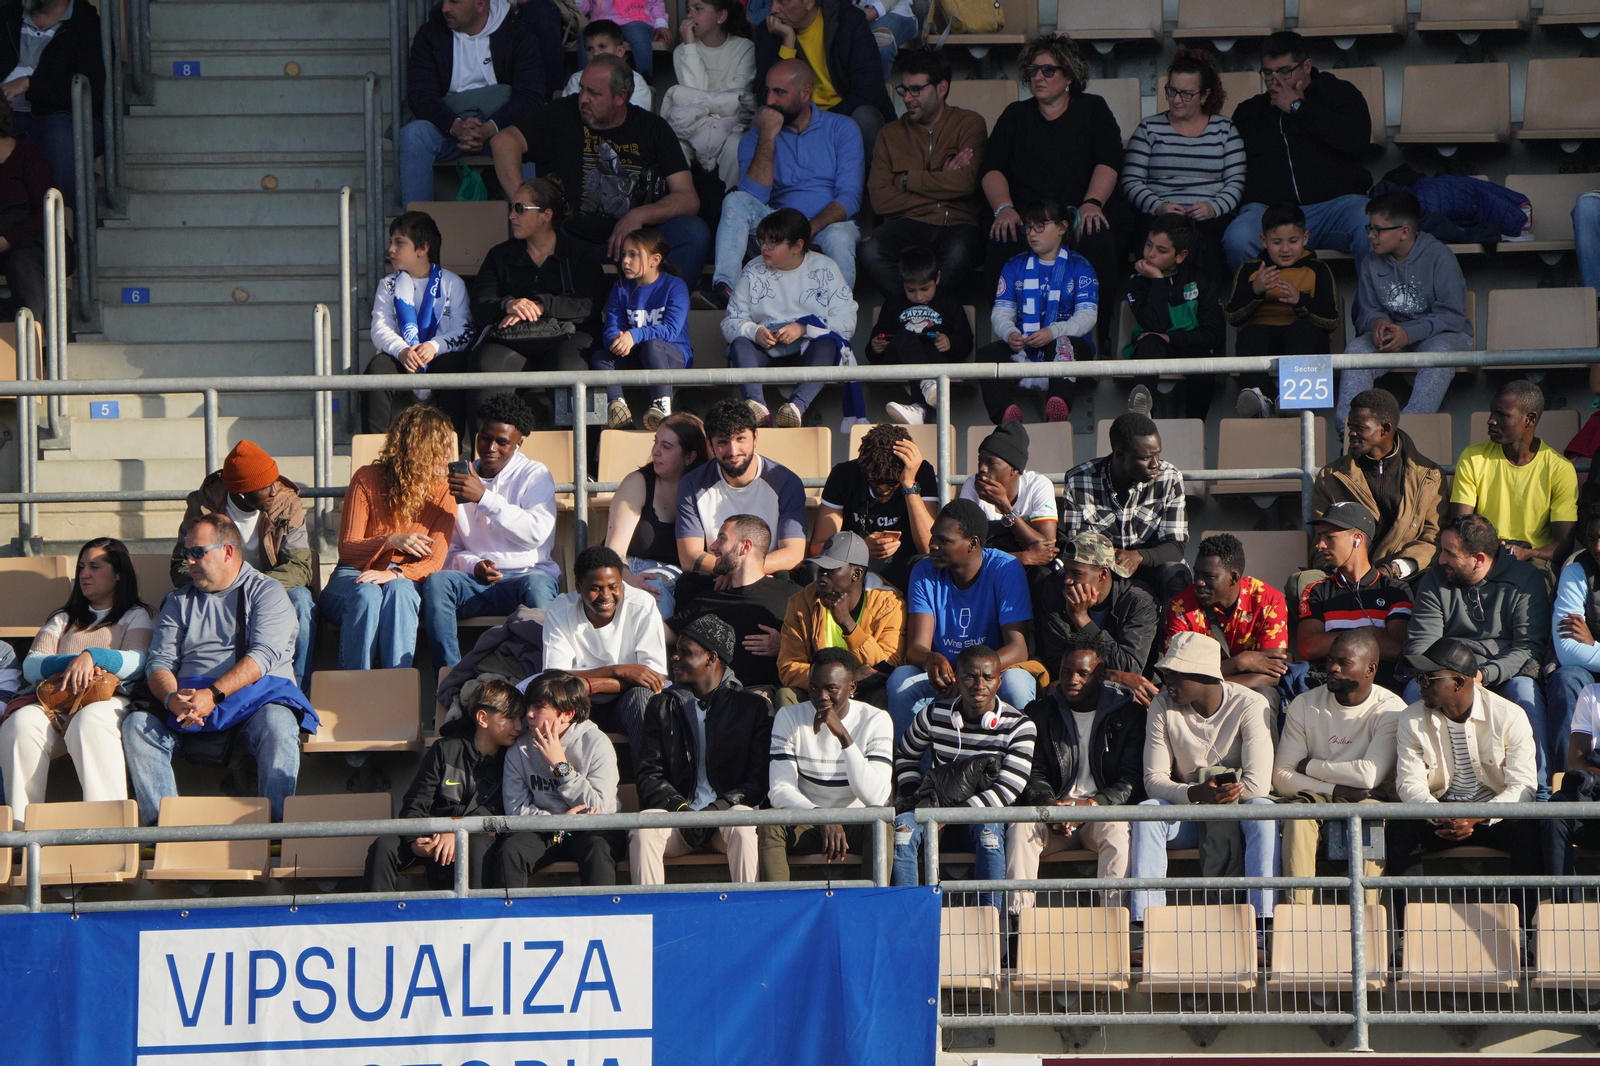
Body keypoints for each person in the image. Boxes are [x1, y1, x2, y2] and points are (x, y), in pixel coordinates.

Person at [122, 514, 317, 825]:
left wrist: (212, 694)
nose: (189, 561)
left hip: (252, 703)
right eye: (187, 553)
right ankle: (164, 832)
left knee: (279, 723)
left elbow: (263, 656)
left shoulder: (267, 592)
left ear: (228, 551)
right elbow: (160, 661)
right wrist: (171, 697)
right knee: (137, 726)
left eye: (198, 552)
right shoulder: (177, 600)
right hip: (187, 703)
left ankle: (278, 830)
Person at [489, 55, 710, 280]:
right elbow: (504, 141)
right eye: (582, 88)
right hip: (568, 239)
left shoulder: (653, 129)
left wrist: (641, 215)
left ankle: (655, 305)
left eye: (594, 93)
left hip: (635, 246)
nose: (583, 98)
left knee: (693, 232)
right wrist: (523, 205)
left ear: (620, 97)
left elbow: (688, 198)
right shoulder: (561, 114)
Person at [981, 33, 1129, 342]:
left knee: (1098, 235)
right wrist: (1004, 208)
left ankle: (1098, 338)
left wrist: (1093, 202)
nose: (1038, 77)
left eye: (1048, 70)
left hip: (1074, 214)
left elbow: (1109, 161)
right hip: (1026, 216)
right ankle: (1008, 335)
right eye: (1033, 70)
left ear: (1069, 75)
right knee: (1000, 235)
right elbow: (991, 168)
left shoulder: (1093, 109)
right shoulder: (1014, 115)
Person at [1129, 632, 1278, 927]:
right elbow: (1154, 779)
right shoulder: (1163, 704)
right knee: (1149, 812)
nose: (1167, 681)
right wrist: (1197, 794)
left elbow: (1258, 784)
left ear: (1205, 676)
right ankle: (1146, 925)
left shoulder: (1250, 704)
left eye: (1176, 674)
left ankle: (1263, 923)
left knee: (1263, 809)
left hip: (1237, 813)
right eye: (1165, 673)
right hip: (1190, 809)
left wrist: (1220, 796)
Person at [0, 538, 152, 828]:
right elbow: (32, 666)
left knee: (90, 722)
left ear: (119, 573)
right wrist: (74, 663)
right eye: (82, 566)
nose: (84, 574)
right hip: (56, 701)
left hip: (109, 700)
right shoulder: (63, 618)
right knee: (19, 725)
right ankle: (21, 834)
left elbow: (139, 661)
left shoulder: (138, 614)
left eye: (95, 566)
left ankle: (108, 835)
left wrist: (93, 656)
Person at [1403, 514, 1553, 795]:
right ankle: (1423, 791)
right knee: (1415, 689)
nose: (1440, 560)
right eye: (1441, 550)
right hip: (1447, 673)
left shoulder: (1526, 580)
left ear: (1479, 559)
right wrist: (1467, 667)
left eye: (1449, 553)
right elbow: (1420, 647)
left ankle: (1538, 791)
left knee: (1525, 691)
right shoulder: (1435, 580)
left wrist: (1484, 673)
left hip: (1502, 674)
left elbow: (1529, 648)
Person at [1386, 639, 1538, 898]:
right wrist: (1440, 815)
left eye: (1427, 679)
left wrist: (1477, 816)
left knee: (1533, 831)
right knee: (1400, 829)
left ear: (1457, 682)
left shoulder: (1508, 716)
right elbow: (1409, 784)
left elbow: (1524, 787)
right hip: (1439, 816)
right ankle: (1408, 928)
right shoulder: (1411, 719)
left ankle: (1522, 928)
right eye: (1417, 677)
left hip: (1492, 817)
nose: (1418, 685)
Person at [891, 644, 1037, 905]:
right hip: (936, 810)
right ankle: (908, 920)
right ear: (957, 678)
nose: (979, 684)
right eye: (970, 676)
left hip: (981, 813)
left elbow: (1008, 789)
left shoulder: (1020, 725)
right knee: (902, 831)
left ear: (999, 681)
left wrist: (954, 815)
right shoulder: (933, 715)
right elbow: (905, 756)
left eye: (988, 677)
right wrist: (915, 798)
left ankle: (990, 929)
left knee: (989, 834)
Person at [421, 394, 559, 669]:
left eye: (502, 441)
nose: (490, 447)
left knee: (538, 586)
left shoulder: (535, 474)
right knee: (438, 583)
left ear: (518, 444)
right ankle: (449, 677)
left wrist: (484, 498)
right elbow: (448, 549)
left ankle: (545, 681)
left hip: (526, 576)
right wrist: (474, 566)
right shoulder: (460, 477)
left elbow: (535, 533)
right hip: (475, 580)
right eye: (484, 437)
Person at [631, 614, 772, 884]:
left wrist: (716, 809)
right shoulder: (661, 705)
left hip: (724, 819)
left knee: (742, 823)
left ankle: (748, 914)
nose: (674, 657)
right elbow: (649, 776)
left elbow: (758, 779)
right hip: (678, 818)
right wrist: (682, 811)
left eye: (686, 652)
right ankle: (646, 916)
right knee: (644, 827)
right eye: (676, 651)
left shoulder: (751, 707)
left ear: (711, 658)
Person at [710, 59, 863, 299]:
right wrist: (768, 136)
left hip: (826, 226)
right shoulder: (756, 138)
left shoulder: (842, 128)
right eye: (768, 91)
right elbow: (753, 197)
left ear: (805, 93)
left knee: (840, 236)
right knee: (736, 200)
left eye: (779, 92)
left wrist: (806, 230)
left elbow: (850, 197)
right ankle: (725, 290)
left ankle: (834, 311)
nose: (770, 101)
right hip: (776, 225)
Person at [170, 441, 316, 694]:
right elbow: (180, 565)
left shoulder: (287, 503)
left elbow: (300, 565)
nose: (274, 491)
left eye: (275, 482)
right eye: (265, 487)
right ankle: (191, 687)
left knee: (301, 600)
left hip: (270, 586)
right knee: (176, 600)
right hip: (217, 586)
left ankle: (298, 691)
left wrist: (253, 588)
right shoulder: (203, 506)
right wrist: (220, 584)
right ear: (240, 493)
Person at [1010, 633, 1142, 911]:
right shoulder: (1040, 713)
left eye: (1083, 673)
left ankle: (1113, 926)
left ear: (1102, 674)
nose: (1073, 680)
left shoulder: (1128, 715)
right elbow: (1032, 774)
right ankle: (1018, 927)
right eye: (1066, 672)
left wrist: (1091, 805)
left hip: (1099, 814)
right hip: (1054, 817)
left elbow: (1131, 781)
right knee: (1021, 828)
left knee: (1118, 832)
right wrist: (1049, 806)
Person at [320, 405, 457, 670]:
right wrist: (389, 540)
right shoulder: (367, 479)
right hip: (354, 574)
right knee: (367, 595)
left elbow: (435, 561)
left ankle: (398, 686)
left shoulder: (445, 492)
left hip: (404, 577)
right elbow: (347, 549)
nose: (449, 456)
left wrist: (396, 574)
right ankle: (354, 689)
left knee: (400, 590)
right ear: (420, 451)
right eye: (442, 448)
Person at [1222, 30, 1373, 272]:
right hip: (1271, 215)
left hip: (1334, 209)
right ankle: (1263, 309)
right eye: (1268, 73)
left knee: (1370, 224)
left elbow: (1357, 143)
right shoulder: (1249, 112)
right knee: (1238, 237)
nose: (1275, 81)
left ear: (1306, 66)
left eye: (1284, 71)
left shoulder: (1340, 94)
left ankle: (1371, 310)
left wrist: (1298, 107)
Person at [1274, 628, 1405, 904]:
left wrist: (1309, 766)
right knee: (1297, 817)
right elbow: (1282, 777)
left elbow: (1369, 775)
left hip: (1368, 798)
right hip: (1319, 795)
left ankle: (1369, 923)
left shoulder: (1390, 708)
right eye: (1330, 660)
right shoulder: (1305, 704)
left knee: (1369, 817)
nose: (1332, 668)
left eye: (1343, 663)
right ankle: (1300, 918)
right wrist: (1336, 789)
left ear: (1370, 669)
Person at [887, 499, 1037, 735]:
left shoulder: (1005, 568)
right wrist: (930, 658)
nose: (932, 545)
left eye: (943, 540)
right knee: (901, 680)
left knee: (1018, 684)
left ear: (972, 543)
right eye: (933, 536)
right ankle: (915, 769)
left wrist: (968, 676)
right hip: (945, 678)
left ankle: (1015, 760)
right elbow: (916, 648)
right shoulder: (924, 570)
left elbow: (1018, 649)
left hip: (990, 675)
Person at [1334, 190, 1473, 435]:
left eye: (1378, 229)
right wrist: (1377, 323)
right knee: (1356, 349)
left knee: (1441, 353)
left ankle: (1409, 432)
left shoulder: (1440, 256)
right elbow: (1368, 310)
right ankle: (1350, 430)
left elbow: (1452, 316)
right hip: (1392, 337)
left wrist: (1408, 333)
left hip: (1439, 335)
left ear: (1404, 231)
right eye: (1370, 228)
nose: (1370, 235)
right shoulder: (1370, 261)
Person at [363, 680, 523, 891]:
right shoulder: (445, 750)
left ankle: (475, 917)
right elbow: (415, 804)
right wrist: (414, 841)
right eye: (510, 718)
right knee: (385, 846)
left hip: (478, 837)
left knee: (477, 846)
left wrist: (459, 832)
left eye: (520, 719)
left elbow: (499, 809)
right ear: (483, 718)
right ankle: (377, 917)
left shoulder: (514, 757)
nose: (519, 727)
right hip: (435, 835)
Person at [470, 178, 606, 422]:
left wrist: (542, 306)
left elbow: (591, 304)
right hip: (513, 338)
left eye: (520, 208)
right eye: (511, 208)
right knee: (487, 365)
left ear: (546, 215)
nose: (512, 215)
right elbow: (480, 305)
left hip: (569, 335)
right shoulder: (500, 255)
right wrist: (507, 304)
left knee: (573, 370)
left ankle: (583, 456)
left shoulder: (579, 253)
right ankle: (488, 452)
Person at [860, 48, 985, 298]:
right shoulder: (890, 134)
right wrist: (942, 181)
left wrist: (907, 179)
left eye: (916, 89)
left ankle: (933, 318)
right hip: (906, 224)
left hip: (957, 224)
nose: (907, 98)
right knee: (870, 250)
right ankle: (912, 314)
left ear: (941, 89)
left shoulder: (969, 123)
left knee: (960, 253)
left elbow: (966, 184)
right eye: (904, 89)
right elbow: (881, 200)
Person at [721, 206, 860, 428]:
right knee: (739, 344)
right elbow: (730, 322)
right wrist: (754, 331)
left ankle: (795, 408)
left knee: (829, 344)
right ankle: (756, 407)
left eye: (773, 243)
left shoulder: (826, 268)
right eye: (762, 241)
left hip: (808, 348)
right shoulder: (752, 270)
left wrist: (804, 328)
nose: (765, 248)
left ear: (798, 245)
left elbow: (847, 322)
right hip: (765, 348)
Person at [763, 647, 895, 879]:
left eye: (831, 688)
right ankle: (780, 909)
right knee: (770, 825)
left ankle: (872, 908)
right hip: (810, 820)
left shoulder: (877, 719)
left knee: (881, 825)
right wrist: (821, 816)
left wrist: (844, 737)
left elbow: (877, 797)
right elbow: (779, 790)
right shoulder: (789, 717)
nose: (821, 696)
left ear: (851, 687)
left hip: (856, 823)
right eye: (814, 687)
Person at [400, 0, 543, 206]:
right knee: (413, 135)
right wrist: (454, 125)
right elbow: (420, 94)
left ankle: (527, 227)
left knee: (527, 134)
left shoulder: (517, 33)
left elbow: (530, 96)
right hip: (448, 127)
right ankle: (413, 230)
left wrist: (492, 127)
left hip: (501, 129)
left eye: (454, 2)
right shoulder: (430, 34)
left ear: (479, 4)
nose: (445, 8)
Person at [1120, 47, 1245, 282]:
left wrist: (1214, 207)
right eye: (1172, 91)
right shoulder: (1149, 128)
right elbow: (1131, 181)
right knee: (1154, 239)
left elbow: (1236, 182)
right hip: (1160, 214)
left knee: (1208, 243)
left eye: (1186, 94)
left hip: (1210, 216)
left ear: (1205, 95)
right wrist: (1158, 206)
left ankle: (1202, 310)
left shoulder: (1225, 129)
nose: (1176, 100)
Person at [492, 671, 623, 887]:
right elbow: (515, 808)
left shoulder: (596, 743)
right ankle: (509, 919)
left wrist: (560, 766)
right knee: (511, 851)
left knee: (598, 849)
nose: (529, 715)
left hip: (593, 830)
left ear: (567, 714)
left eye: (539, 708)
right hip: (547, 829)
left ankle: (600, 918)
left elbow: (601, 808)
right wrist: (560, 820)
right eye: (529, 706)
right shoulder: (520, 746)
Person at [538, 545, 669, 754]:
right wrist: (617, 670)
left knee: (643, 699)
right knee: (548, 704)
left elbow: (654, 678)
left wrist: (589, 685)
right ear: (579, 587)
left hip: (622, 700)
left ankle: (651, 781)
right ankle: (559, 780)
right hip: (578, 701)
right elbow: (554, 678)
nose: (606, 596)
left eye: (614, 586)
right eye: (596, 588)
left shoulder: (641, 605)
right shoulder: (560, 609)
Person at [980, 199, 1097, 426]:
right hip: (1026, 345)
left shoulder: (1081, 266)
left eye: (1040, 226)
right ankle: (1006, 415)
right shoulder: (1014, 265)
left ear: (1062, 227)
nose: (1032, 234)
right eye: (1028, 227)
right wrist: (1010, 333)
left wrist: (1052, 332)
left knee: (1062, 343)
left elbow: (1087, 317)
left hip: (1071, 345)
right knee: (986, 356)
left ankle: (1058, 403)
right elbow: (1001, 312)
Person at [1311, 387, 1446, 581]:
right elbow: (1321, 541)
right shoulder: (1331, 476)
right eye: (1351, 427)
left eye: (1360, 428)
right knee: (1301, 583)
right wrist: (1351, 571)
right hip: (1344, 574)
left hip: (1404, 575)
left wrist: (1392, 570)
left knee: (1437, 584)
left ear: (1385, 429)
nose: (1352, 434)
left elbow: (1433, 537)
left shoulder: (1429, 476)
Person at [1060, 412, 1191, 604]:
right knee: (1063, 580)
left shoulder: (1170, 478)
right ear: (1120, 455)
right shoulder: (1079, 481)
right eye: (1146, 457)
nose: (1156, 464)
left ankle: (1170, 634)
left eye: (1158, 453)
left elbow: (1176, 545)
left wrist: (1138, 556)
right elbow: (1080, 547)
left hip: (1150, 566)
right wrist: (1116, 558)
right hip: (1103, 570)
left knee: (1176, 573)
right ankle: (1086, 632)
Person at [364, 211, 475, 434]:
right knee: (376, 370)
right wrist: (402, 350)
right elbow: (380, 328)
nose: (391, 250)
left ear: (423, 249)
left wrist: (434, 346)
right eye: (391, 242)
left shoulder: (452, 283)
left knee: (455, 367)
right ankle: (373, 451)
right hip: (402, 356)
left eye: (399, 243)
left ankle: (451, 448)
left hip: (438, 357)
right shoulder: (388, 284)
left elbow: (463, 331)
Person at [1450, 379, 1578, 572]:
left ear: (1530, 419)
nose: (1491, 420)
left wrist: (1526, 553)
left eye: (1502, 414)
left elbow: (1562, 547)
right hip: (1482, 557)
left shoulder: (1560, 469)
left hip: (1533, 562)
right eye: (1492, 412)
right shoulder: (1472, 457)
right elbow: (1460, 529)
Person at [752, 0, 894, 174]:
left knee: (865, 117)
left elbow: (870, 90)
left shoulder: (848, 20)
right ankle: (773, 194)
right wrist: (787, 42)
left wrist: (819, 123)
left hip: (845, 115)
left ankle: (866, 194)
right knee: (762, 117)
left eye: (783, 2)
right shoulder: (768, 32)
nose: (773, 9)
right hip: (796, 116)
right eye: (771, 1)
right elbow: (766, 95)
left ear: (809, 2)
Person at [1227, 204, 1341, 419]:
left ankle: (1296, 401)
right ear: (1263, 241)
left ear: (1305, 238)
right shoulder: (1250, 269)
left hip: (1303, 341)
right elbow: (1233, 317)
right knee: (1251, 333)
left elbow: (1331, 321)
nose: (1285, 249)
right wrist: (1256, 291)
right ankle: (1258, 401)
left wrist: (1301, 301)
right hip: (1263, 340)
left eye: (1293, 241)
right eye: (1277, 242)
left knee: (1303, 330)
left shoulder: (1318, 269)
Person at [675, 397, 808, 580]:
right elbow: (689, 557)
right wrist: (732, 571)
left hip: (769, 577)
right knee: (689, 583)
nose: (733, 450)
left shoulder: (786, 482)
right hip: (717, 577)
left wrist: (744, 571)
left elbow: (793, 555)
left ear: (755, 437)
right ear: (709, 443)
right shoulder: (692, 484)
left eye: (740, 438)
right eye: (722, 442)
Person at [667, 514, 796, 692]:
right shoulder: (708, 599)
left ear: (745, 546)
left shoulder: (792, 595)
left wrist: (788, 645)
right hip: (718, 702)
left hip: (771, 700)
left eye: (722, 539)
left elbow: (821, 646)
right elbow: (660, 634)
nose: (713, 547)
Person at [777, 531, 905, 706]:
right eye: (820, 568)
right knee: (786, 695)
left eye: (830, 569)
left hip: (865, 692)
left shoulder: (889, 604)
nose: (821, 574)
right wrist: (840, 682)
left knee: (882, 694)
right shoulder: (801, 602)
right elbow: (789, 667)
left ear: (857, 574)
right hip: (818, 692)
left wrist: (848, 624)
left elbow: (887, 665)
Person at [1165, 533, 1291, 709]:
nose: (1199, 583)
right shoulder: (1181, 606)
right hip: (1194, 698)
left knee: (1263, 697)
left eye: (1208, 576)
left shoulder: (1269, 601)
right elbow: (1179, 676)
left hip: (1249, 692)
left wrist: (1210, 684)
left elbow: (1272, 675)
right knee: (1168, 699)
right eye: (1197, 573)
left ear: (1233, 578)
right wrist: (1238, 663)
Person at [1298, 504, 1414, 697]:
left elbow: (1396, 649)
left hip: (1383, 690)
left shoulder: (1395, 590)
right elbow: (1308, 648)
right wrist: (1367, 634)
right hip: (1326, 689)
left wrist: (1334, 643)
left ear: (1357, 539)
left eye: (1329, 537)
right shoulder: (1316, 591)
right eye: (1320, 537)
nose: (1321, 545)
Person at [0, 0, 103, 212]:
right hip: (5, 115)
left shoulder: (87, 24)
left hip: (58, 118)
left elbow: (92, 90)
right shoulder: (6, 16)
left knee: (60, 138)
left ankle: (62, 228)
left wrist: (30, 84)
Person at [604, 412, 708, 620]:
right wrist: (629, 580)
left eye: (666, 447)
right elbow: (614, 551)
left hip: (679, 577)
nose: (655, 452)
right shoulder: (638, 482)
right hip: (629, 569)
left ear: (690, 456)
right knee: (651, 594)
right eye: (656, 442)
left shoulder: (705, 489)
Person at [1036, 534, 1161, 706]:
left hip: (1126, 695)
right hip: (1074, 685)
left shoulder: (1138, 601)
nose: (1067, 580)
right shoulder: (1056, 592)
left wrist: (1081, 619)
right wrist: (1109, 675)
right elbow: (1057, 660)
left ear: (1102, 573)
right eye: (1066, 571)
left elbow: (1129, 666)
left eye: (1076, 573)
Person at [1123, 214, 1225, 421]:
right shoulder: (1136, 280)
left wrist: (1170, 338)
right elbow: (1155, 324)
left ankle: (1196, 427)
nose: (1150, 254)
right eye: (1148, 245)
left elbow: (1214, 335)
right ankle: (1142, 417)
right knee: (1151, 342)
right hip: (1151, 346)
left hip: (1189, 346)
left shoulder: (1201, 280)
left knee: (1204, 363)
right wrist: (1158, 281)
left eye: (1161, 250)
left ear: (1180, 256)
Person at [812, 422, 937, 591]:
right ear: (865, 469)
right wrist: (860, 549)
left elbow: (930, 547)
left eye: (893, 482)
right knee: (813, 570)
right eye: (876, 481)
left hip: (903, 566)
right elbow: (818, 547)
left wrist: (908, 484)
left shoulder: (920, 473)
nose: (884, 488)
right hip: (853, 566)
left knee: (929, 566)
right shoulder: (844, 475)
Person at [595, 227, 693, 430]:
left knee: (653, 346)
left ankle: (662, 406)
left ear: (655, 260)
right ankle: (617, 407)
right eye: (624, 254)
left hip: (670, 355)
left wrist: (633, 334)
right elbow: (611, 328)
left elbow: (671, 330)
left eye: (633, 255)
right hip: (636, 355)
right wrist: (617, 340)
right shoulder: (621, 287)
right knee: (600, 357)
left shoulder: (675, 286)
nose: (625, 261)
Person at [870, 246, 975, 426]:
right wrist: (875, 346)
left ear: (938, 278)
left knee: (929, 346)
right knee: (906, 335)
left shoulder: (950, 303)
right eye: (911, 290)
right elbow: (873, 350)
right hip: (899, 359)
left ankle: (919, 407)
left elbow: (966, 342)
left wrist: (950, 343)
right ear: (902, 284)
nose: (918, 296)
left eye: (925, 288)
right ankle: (926, 384)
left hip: (936, 358)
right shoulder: (893, 304)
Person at [660, 0, 757, 192]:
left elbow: (737, 97)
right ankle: (681, 201)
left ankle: (729, 204)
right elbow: (691, 95)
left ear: (721, 16)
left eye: (698, 9)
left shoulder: (745, 48)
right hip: (693, 123)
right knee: (673, 145)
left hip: (730, 124)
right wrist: (689, 46)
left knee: (736, 145)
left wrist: (708, 99)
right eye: (688, 10)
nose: (690, 16)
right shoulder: (682, 51)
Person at [957, 421, 1060, 577]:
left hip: (1024, 569)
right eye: (980, 460)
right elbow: (962, 551)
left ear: (1014, 469)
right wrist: (1022, 557)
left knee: (1042, 575)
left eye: (991, 463)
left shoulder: (1039, 485)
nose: (982, 468)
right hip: (986, 571)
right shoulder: (972, 485)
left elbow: (1046, 549)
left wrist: (1005, 506)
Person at [1549, 506, 1600, 783]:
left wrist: (1593, 643)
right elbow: (1568, 651)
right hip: (1588, 671)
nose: (1597, 547)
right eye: (1592, 539)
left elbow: (1583, 649)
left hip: (1593, 657)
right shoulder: (1577, 568)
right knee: (1566, 678)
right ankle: (1566, 783)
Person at [0, 95, 58, 323]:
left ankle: (40, 346)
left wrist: (8, 238)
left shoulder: (28, 154)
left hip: (33, 240)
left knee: (22, 261)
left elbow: (48, 212)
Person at [1541, 679, 1600, 891]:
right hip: (1595, 800)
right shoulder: (1592, 694)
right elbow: (1575, 761)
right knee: (1555, 816)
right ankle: (1565, 912)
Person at [561, 20, 655, 108]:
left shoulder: (635, 80)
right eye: (590, 49)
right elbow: (568, 113)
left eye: (602, 46)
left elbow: (637, 117)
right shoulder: (576, 79)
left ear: (620, 51)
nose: (595, 53)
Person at [577, 0, 671, 80]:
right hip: (602, 22)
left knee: (638, 34)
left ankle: (645, 79)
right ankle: (584, 81)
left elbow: (655, 2)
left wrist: (661, 24)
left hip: (636, 19)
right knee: (585, 35)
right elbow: (584, 9)